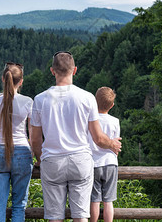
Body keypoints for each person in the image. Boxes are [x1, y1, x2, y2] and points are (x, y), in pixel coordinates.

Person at [30, 51, 122, 222]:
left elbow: (35, 139)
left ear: (52, 71)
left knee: (55, 217)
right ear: (75, 70)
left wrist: (40, 158)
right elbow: (98, 138)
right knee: (80, 216)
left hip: (52, 160)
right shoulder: (87, 98)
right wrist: (112, 144)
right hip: (80, 160)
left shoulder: (40, 99)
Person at [0, 62, 33, 222]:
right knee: (19, 205)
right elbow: (33, 135)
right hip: (22, 152)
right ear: (21, 81)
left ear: (3, 79)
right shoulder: (28, 101)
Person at [89, 87, 120, 222]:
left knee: (94, 200)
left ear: (95, 102)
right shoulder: (115, 121)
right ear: (112, 105)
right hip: (110, 162)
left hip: (93, 162)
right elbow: (115, 143)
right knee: (108, 200)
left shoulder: (90, 120)